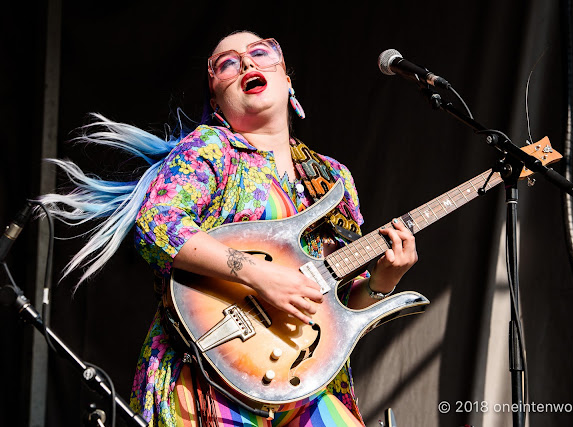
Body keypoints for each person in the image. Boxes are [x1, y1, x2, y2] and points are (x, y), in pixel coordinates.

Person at [42, 30, 417, 426]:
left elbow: (338, 310)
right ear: (216, 98)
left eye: (260, 53)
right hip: (210, 374)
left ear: (287, 78)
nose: (248, 64)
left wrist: (382, 281)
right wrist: (259, 275)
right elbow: (158, 224)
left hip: (307, 379)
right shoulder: (211, 149)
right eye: (227, 64)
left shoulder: (334, 178)